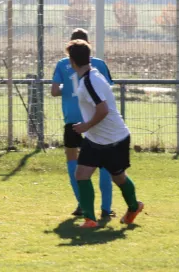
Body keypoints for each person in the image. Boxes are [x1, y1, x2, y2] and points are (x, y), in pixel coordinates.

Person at [66, 40, 143, 228]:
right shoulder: (92, 75)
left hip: (114, 139)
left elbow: (103, 110)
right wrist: (89, 128)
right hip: (95, 139)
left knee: (119, 178)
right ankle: (90, 220)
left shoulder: (90, 81)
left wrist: (85, 126)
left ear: (72, 62)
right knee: (82, 174)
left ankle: (134, 207)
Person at [51, 28, 115, 218]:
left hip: (72, 119)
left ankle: (82, 204)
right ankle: (106, 208)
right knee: (104, 162)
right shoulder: (99, 64)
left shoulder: (62, 64)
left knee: (73, 160)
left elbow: (54, 91)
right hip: (95, 118)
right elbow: (107, 89)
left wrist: (69, 88)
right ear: (88, 45)